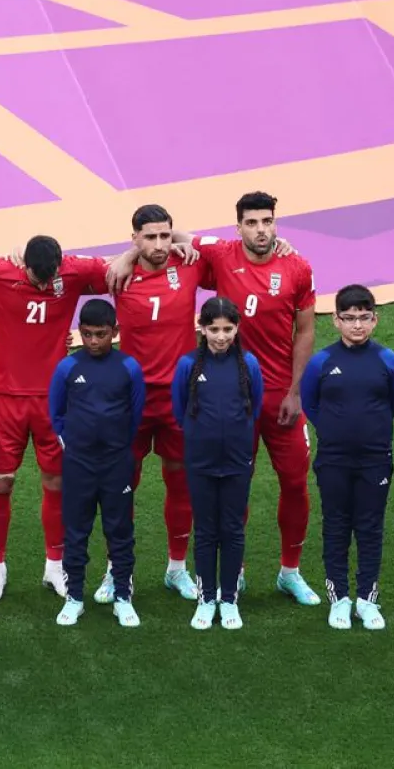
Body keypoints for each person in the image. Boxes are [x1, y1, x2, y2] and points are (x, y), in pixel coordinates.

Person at [183, 192, 319, 605]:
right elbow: (172, 236)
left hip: (281, 396)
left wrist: (296, 391)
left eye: (267, 221)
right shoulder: (221, 253)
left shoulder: (297, 266)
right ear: (238, 227)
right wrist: (123, 258)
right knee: (234, 484)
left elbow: (307, 331)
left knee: (295, 482)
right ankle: (235, 571)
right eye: (252, 223)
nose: (261, 229)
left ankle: (290, 573)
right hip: (233, 396)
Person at [0, 235, 108, 603]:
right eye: (37, 278)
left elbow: (115, 268)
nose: (45, 286)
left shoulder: (74, 269)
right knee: (0, 481)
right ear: (23, 264)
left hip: (55, 399)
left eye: (51, 279)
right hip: (7, 397)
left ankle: (54, 567)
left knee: (57, 481)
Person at [98, 204, 211, 603]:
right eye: (150, 237)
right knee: (121, 486)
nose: (160, 245)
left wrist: (183, 239)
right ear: (134, 239)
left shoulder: (191, 263)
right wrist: (127, 258)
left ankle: (177, 569)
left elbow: (237, 249)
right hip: (130, 401)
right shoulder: (113, 273)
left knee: (180, 482)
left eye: (166, 235)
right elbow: (59, 264)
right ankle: (117, 571)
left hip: (179, 398)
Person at [301, 284, 394, 631]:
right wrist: (334, 431)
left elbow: (393, 401)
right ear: (336, 320)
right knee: (336, 527)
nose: (357, 325)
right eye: (349, 318)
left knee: (370, 528)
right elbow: (310, 404)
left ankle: (367, 599)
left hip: (376, 459)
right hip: (333, 460)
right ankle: (339, 599)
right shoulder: (322, 362)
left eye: (364, 318)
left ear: (375, 320)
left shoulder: (388, 361)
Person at [49, 299, 146, 628]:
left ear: (114, 332)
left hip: (117, 463)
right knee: (76, 531)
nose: (93, 341)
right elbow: (56, 413)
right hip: (78, 464)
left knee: (120, 531)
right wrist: (72, 446)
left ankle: (122, 596)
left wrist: (118, 446)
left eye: (101, 334)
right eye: (87, 334)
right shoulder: (67, 368)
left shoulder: (129, 368)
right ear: (80, 333)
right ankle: (74, 597)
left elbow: (135, 415)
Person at [172, 298, 264, 631]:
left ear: (237, 328)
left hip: (237, 462)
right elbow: (179, 408)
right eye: (214, 329)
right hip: (200, 462)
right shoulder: (188, 366)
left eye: (228, 329)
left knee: (233, 530)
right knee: (207, 531)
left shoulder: (249, 364)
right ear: (202, 328)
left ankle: (228, 599)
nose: (221, 336)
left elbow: (255, 408)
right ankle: (206, 598)